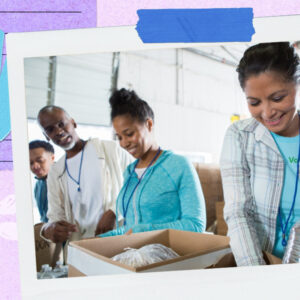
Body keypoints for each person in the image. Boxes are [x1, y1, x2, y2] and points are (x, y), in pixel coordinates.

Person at [220, 42, 300, 266]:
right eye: (254, 102)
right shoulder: (240, 136)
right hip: (262, 263)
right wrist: (257, 276)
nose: (267, 112)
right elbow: (238, 213)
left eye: (278, 98)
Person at [100, 88, 206, 237]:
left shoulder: (178, 166)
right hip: (133, 256)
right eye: (119, 137)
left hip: (166, 256)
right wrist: (102, 239)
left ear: (149, 125)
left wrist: (142, 231)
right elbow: (130, 229)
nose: (123, 143)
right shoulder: (130, 172)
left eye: (129, 134)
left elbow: (195, 225)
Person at [37, 105, 133, 244]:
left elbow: (140, 184)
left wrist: (114, 211)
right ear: (47, 136)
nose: (58, 131)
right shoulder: (55, 172)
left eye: (61, 124)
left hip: (120, 241)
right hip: (82, 247)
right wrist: (48, 229)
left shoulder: (111, 150)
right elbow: (55, 216)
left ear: (73, 123)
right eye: (50, 129)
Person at [29, 140, 55, 223]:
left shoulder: (65, 180)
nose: (35, 166)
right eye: (30, 163)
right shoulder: (38, 184)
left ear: (52, 158)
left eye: (40, 160)